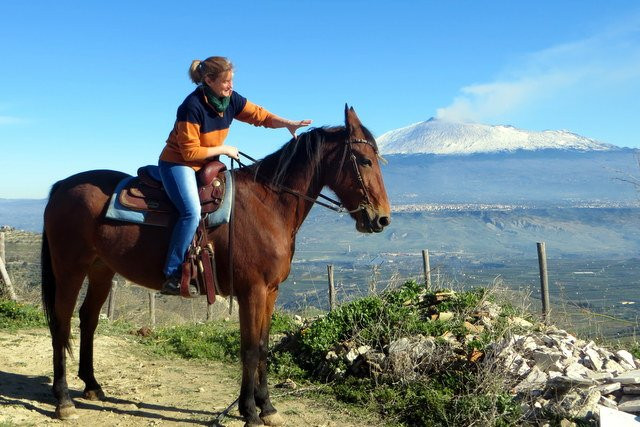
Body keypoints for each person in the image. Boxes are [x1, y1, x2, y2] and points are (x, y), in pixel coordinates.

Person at [158, 56, 312, 295]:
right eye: (225, 81)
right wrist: (224, 149)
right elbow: (189, 152)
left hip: (207, 162)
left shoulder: (229, 99)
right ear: (208, 80)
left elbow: (259, 115)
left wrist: (287, 123)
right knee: (191, 212)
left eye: (231, 80)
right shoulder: (191, 106)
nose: (230, 86)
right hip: (179, 163)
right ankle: (173, 273)